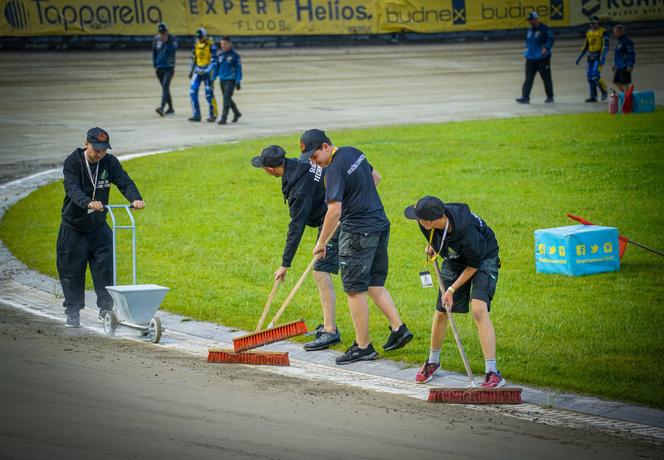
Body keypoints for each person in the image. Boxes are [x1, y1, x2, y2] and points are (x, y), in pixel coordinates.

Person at [299, 129, 413, 365]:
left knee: (354, 289)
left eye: (314, 156)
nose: (314, 162)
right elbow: (376, 178)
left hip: (358, 232)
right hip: (380, 224)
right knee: (373, 282)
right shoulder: (353, 152)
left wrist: (321, 243)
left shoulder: (332, 170)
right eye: (310, 159)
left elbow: (334, 210)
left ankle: (363, 347)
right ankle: (398, 328)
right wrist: (359, 199)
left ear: (325, 147)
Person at [404, 196, 505, 388]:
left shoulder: (465, 231)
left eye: (418, 219)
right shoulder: (427, 223)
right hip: (456, 256)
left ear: (430, 220)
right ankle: (433, 361)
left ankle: (493, 372)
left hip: (482, 258)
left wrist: (451, 289)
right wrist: (434, 247)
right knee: (442, 309)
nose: (417, 221)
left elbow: (474, 264)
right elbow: (436, 239)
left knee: (478, 309)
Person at [251, 145, 341, 351]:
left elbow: (296, 227)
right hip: (331, 212)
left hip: (336, 217)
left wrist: (285, 264)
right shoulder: (301, 162)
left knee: (320, 272)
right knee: (323, 272)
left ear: (270, 169)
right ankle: (329, 326)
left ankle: (330, 331)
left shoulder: (298, 190)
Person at [57, 128, 144, 328]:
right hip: (74, 227)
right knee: (72, 271)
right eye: (97, 149)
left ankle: (106, 309)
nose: (100, 154)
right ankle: (72, 311)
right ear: (87, 143)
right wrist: (88, 202)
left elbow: (124, 181)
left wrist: (135, 198)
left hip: (98, 226)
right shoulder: (73, 162)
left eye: (104, 150)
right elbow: (72, 189)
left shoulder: (109, 162)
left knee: (106, 267)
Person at [516, 12, 555, 104]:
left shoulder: (545, 29)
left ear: (536, 19)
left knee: (546, 78)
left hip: (543, 58)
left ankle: (550, 96)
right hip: (530, 58)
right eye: (529, 20)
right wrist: (527, 49)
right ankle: (525, 97)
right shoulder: (530, 30)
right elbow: (528, 41)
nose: (529, 22)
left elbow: (550, 39)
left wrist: (546, 47)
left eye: (531, 20)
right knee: (528, 78)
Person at [576, 16, 609, 102]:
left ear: (597, 23)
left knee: (595, 76)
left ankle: (604, 91)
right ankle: (593, 96)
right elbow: (586, 45)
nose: (592, 24)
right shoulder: (589, 32)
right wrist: (579, 57)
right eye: (591, 23)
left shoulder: (603, 32)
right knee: (590, 77)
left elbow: (605, 46)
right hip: (590, 57)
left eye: (594, 23)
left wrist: (603, 58)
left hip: (598, 57)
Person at [189, 27, 218, 122]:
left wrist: (208, 71)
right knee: (192, 92)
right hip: (198, 71)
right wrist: (191, 70)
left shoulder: (212, 45)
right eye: (198, 37)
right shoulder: (196, 43)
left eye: (201, 37)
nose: (199, 39)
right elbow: (194, 58)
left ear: (205, 36)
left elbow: (214, 61)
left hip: (208, 73)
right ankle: (196, 114)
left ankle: (213, 114)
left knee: (209, 94)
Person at [152, 22, 177, 116]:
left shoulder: (172, 39)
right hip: (159, 67)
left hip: (169, 67)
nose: (162, 34)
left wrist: (167, 42)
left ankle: (162, 107)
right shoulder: (156, 39)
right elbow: (154, 52)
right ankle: (170, 108)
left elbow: (172, 52)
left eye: (164, 32)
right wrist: (154, 63)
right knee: (165, 88)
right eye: (161, 32)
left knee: (165, 87)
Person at [216, 36, 243, 125]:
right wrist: (212, 78)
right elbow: (216, 68)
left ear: (230, 44)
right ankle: (237, 113)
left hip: (231, 80)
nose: (223, 46)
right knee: (227, 98)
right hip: (222, 79)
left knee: (226, 98)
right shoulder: (219, 56)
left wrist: (238, 81)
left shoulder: (235, 56)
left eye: (225, 44)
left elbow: (239, 69)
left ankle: (224, 118)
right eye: (222, 44)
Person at [612, 24, 636, 93]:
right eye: (614, 32)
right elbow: (617, 55)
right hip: (619, 66)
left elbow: (631, 54)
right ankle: (627, 96)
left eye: (616, 32)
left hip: (625, 65)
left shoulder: (627, 41)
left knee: (625, 83)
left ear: (621, 32)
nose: (614, 34)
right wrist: (615, 65)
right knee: (616, 81)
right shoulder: (619, 42)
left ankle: (628, 99)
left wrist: (630, 65)